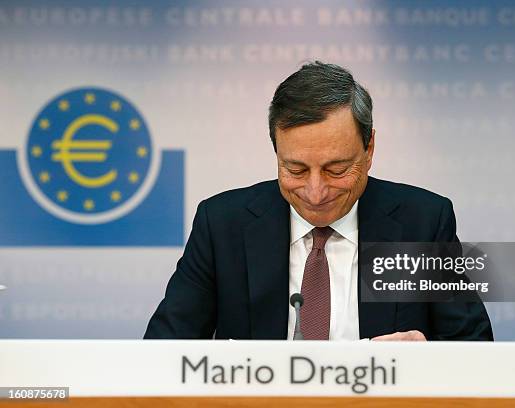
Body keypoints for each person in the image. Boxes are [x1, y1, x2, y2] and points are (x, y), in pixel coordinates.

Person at [144, 61, 493, 341]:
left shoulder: (421, 224)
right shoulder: (223, 225)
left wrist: (428, 357)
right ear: (276, 151)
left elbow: (475, 350)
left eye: (336, 169)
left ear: (369, 148)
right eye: (295, 169)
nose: (315, 191)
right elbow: (164, 351)